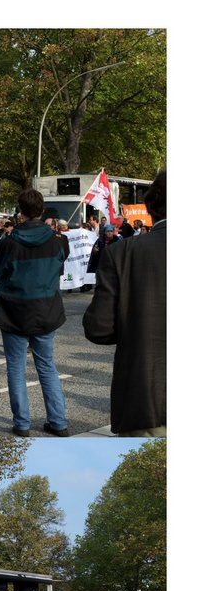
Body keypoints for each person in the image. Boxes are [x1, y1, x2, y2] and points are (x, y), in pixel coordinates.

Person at [84, 170, 165, 436]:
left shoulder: (122, 253)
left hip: (147, 402)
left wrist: (136, 327)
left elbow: (99, 328)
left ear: (151, 206)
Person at [0, 188, 70, 436]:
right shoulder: (58, 240)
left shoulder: (9, 241)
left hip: (14, 308)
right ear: (42, 209)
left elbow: (0, 272)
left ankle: (22, 424)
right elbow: (58, 268)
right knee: (46, 366)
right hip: (46, 308)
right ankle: (58, 423)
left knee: (16, 366)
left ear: (20, 211)